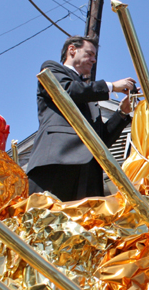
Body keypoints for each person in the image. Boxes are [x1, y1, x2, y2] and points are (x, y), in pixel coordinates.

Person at [27, 35, 138, 201]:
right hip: (57, 161)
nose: (93, 60)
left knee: (84, 225)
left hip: (88, 173)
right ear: (72, 50)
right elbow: (67, 92)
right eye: (89, 54)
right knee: (46, 217)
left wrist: (122, 113)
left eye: (95, 56)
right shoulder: (51, 69)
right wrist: (111, 86)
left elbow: (102, 141)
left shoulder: (91, 100)